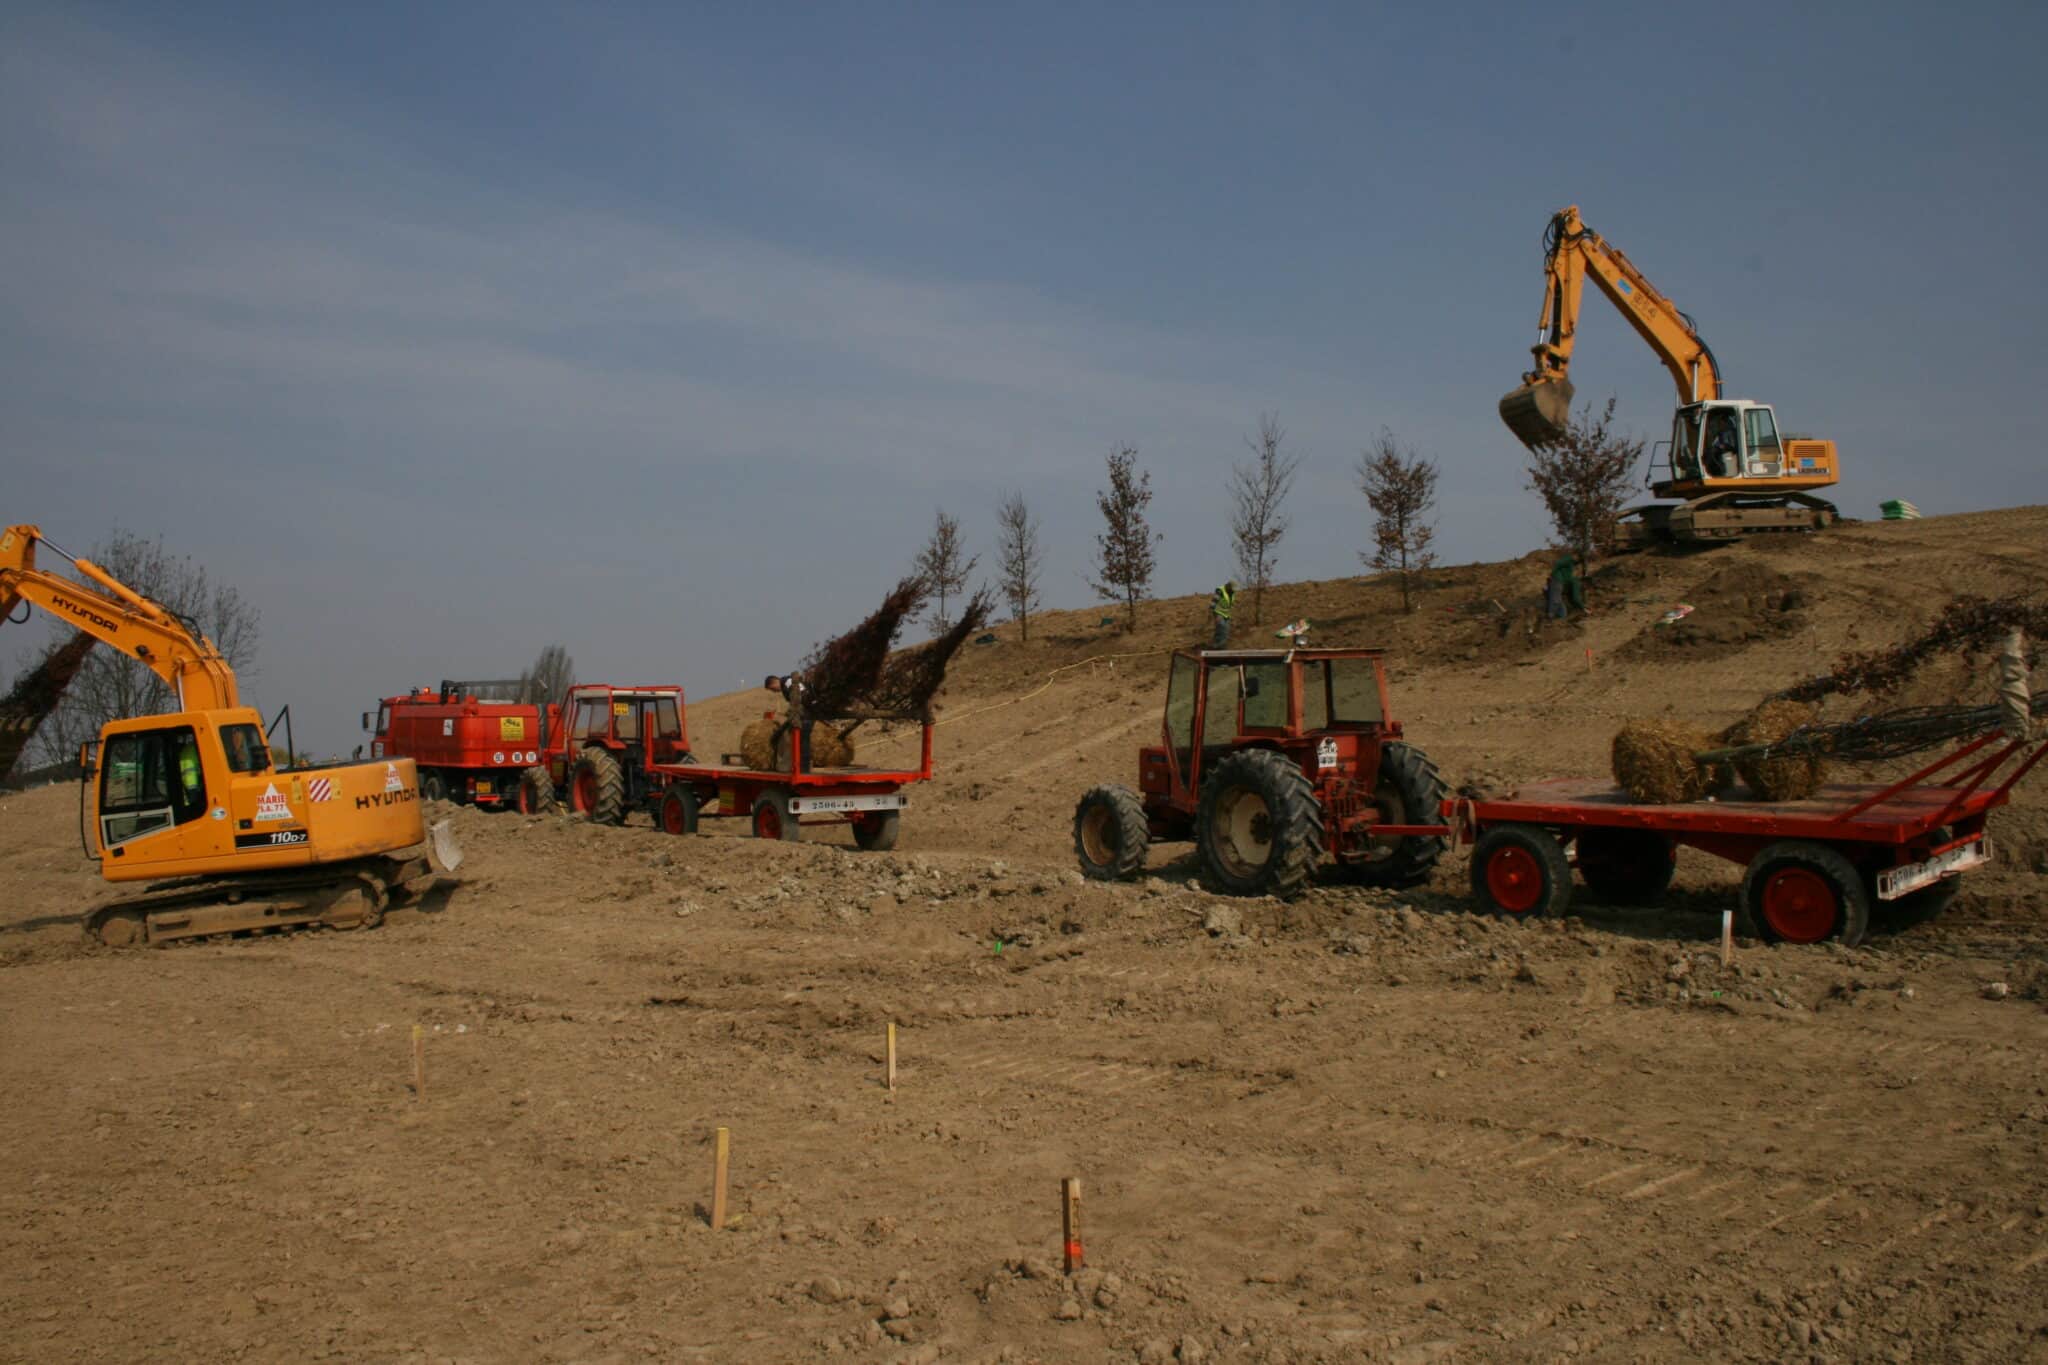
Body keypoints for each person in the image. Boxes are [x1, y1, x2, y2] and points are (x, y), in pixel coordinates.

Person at [763, 673, 814, 773]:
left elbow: (803, 696)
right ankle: (800, 767)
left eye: (772, 689)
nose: (774, 692)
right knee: (800, 740)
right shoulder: (786, 685)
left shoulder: (789, 682)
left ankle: (804, 770)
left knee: (803, 740)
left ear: (773, 683)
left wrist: (796, 711)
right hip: (804, 714)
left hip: (806, 715)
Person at [1545, 554, 1585, 619]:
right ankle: (1550, 616)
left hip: (1558, 583)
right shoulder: (1568, 559)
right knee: (1555, 600)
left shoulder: (1570, 565)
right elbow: (1558, 563)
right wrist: (1551, 575)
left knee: (1562, 612)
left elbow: (1573, 598)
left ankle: (1557, 618)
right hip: (1557, 581)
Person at [1209, 580, 1237, 648]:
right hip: (1218, 612)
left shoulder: (1232, 592)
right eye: (1232, 589)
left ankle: (1222, 645)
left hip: (1226, 614)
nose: (1233, 591)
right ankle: (1216, 644)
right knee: (1221, 626)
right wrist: (1211, 610)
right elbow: (1214, 600)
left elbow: (1230, 603)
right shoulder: (1220, 590)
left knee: (1226, 629)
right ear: (1228, 586)